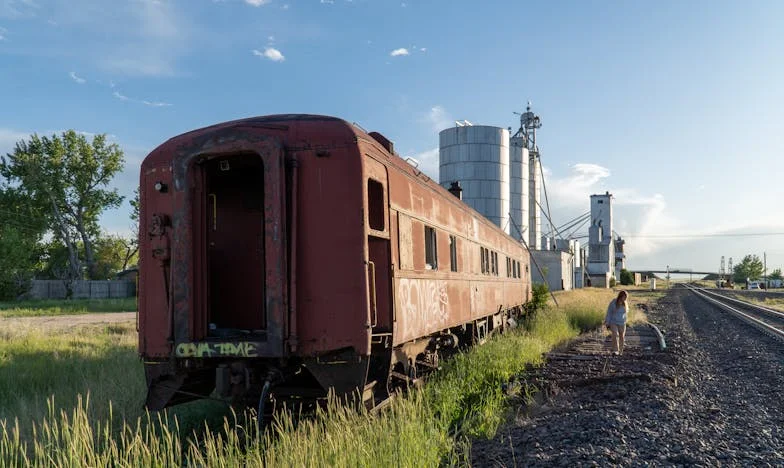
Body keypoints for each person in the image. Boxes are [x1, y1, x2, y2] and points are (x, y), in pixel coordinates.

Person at [604, 290, 628, 356]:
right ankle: (615, 350)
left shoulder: (625, 303)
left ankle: (621, 351)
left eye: (626, 297)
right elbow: (609, 312)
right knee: (615, 334)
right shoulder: (613, 302)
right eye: (624, 297)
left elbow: (625, 314)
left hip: (622, 322)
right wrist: (607, 322)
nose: (625, 299)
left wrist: (626, 321)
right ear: (620, 296)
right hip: (613, 321)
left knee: (621, 336)